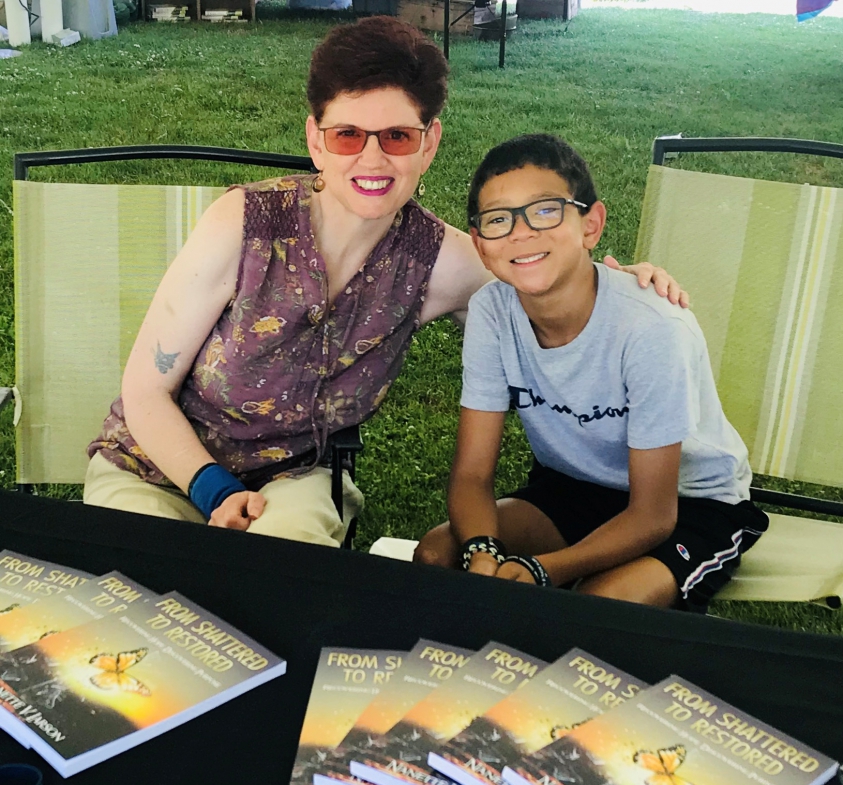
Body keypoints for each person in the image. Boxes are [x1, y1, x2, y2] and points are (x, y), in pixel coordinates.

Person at [84, 18, 686, 549]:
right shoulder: (241, 228)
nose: (372, 160)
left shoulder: (440, 262)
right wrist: (213, 491)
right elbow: (144, 392)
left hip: (296, 479)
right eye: (348, 135)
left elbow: (549, 287)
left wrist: (626, 285)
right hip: (157, 468)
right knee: (137, 592)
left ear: (430, 144)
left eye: (397, 136)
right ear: (315, 140)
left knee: (274, 595)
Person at [414, 134, 769, 611]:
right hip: (573, 487)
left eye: (545, 211)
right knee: (438, 554)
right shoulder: (492, 312)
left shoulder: (651, 328)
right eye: (498, 220)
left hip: (690, 505)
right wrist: (482, 552)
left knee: (598, 605)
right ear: (479, 243)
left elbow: (653, 515)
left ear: (591, 224)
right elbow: (473, 474)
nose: (521, 233)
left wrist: (546, 569)